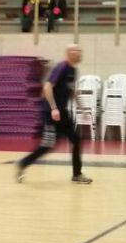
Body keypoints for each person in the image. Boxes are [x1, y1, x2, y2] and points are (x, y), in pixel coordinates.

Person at [16, 44, 92, 185]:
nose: (80, 53)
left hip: (63, 112)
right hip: (51, 113)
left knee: (76, 139)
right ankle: (23, 163)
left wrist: (82, 108)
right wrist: (53, 108)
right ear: (69, 52)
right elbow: (47, 86)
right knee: (48, 145)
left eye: (81, 51)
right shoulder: (61, 67)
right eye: (77, 50)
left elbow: (72, 90)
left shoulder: (73, 70)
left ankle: (77, 174)